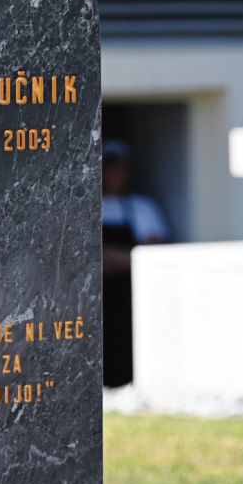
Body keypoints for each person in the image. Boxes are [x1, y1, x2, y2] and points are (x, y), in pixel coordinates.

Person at [101, 140, 172, 387]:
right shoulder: (84, 206)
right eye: (110, 168)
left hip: (131, 294)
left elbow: (155, 254)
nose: (115, 175)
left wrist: (113, 256)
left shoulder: (143, 207)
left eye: (120, 168)